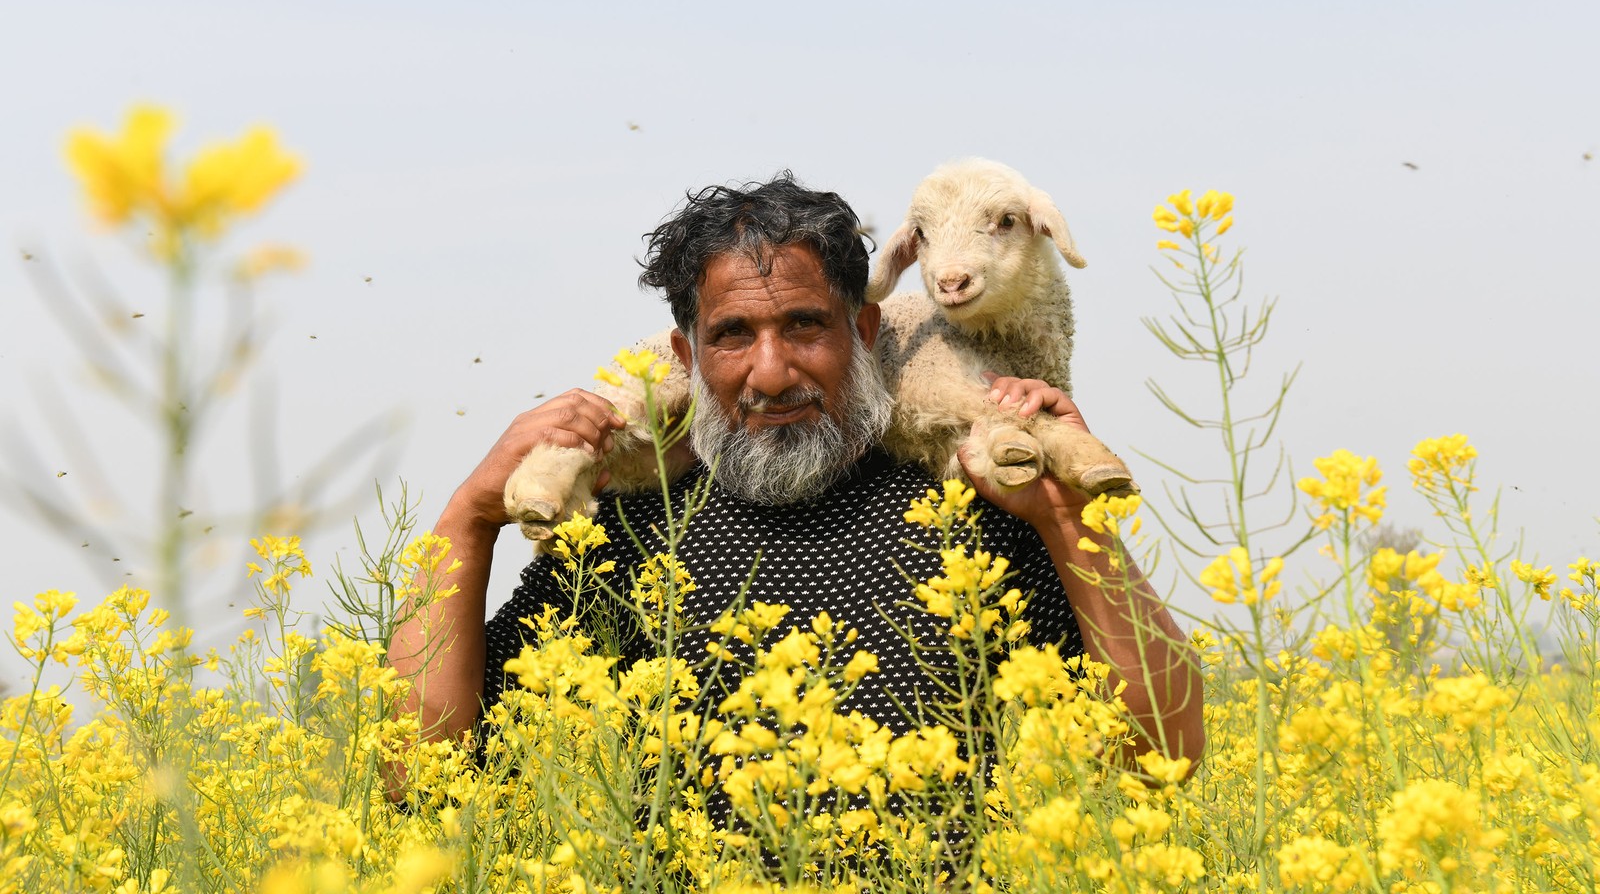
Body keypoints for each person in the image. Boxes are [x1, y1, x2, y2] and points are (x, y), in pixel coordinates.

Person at [390, 174, 1203, 771]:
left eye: (806, 326)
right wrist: (470, 515)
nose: (772, 373)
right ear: (686, 357)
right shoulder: (635, 529)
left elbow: (1165, 757)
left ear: (867, 329)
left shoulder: (971, 514)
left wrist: (1066, 518)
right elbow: (417, 776)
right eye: (734, 335)